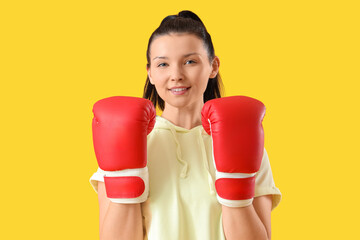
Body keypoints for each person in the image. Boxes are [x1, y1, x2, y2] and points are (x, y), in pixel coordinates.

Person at [89, 10, 281, 240]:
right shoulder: (125, 138)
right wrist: (126, 182)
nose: (176, 75)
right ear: (149, 72)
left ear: (213, 66)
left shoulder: (245, 140)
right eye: (163, 65)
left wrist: (235, 188)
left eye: (190, 61)